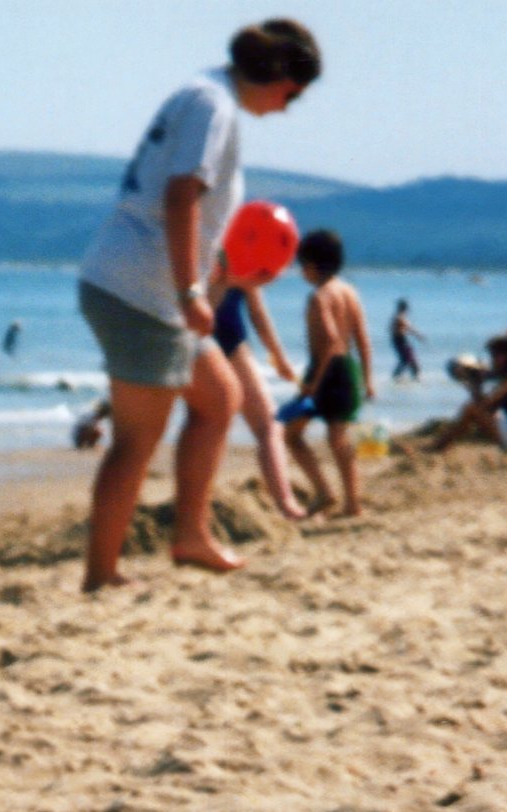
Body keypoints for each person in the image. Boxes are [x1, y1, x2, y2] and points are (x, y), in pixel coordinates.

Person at [76, 18, 318, 591]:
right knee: (136, 441)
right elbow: (181, 195)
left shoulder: (204, 93)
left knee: (220, 397)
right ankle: (100, 574)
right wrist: (190, 292)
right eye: (293, 94)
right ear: (278, 74)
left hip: (140, 284)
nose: (288, 108)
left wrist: (216, 273)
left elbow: (190, 210)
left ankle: (191, 535)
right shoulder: (213, 106)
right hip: (141, 290)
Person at [279, 228, 371, 519]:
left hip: (325, 371)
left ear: (310, 265)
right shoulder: (349, 292)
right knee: (338, 437)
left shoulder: (319, 297)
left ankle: (326, 491)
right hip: (347, 369)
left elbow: (330, 342)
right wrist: (367, 378)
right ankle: (351, 501)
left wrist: (313, 384)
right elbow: (361, 338)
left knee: (290, 434)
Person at [206, 257, 306, 519]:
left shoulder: (211, 244)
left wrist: (280, 359)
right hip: (223, 338)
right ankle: (286, 504)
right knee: (266, 426)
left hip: (209, 338)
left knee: (214, 427)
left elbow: (257, 313)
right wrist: (280, 358)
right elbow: (256, 313)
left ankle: (286, 503)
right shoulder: (235, 249)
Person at [430, 331, 507, 451]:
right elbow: (491, 406)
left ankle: (438, 447)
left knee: (470, 409)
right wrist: (478, 377)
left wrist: (474, 385)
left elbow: (484, 405)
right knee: (482, 411)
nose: (492, 360)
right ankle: (440, 445)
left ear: (503, 356)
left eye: (494, 355)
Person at [389, 298, 424, 379]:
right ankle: (413, 379)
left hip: (398, 340)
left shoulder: (397, 317)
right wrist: (419, 336)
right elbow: (409, 328)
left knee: (406, 360)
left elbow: (392, 329)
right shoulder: (399, 317)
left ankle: (397, 378)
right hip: (400, 340)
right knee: (408, 360)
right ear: (404, 308)